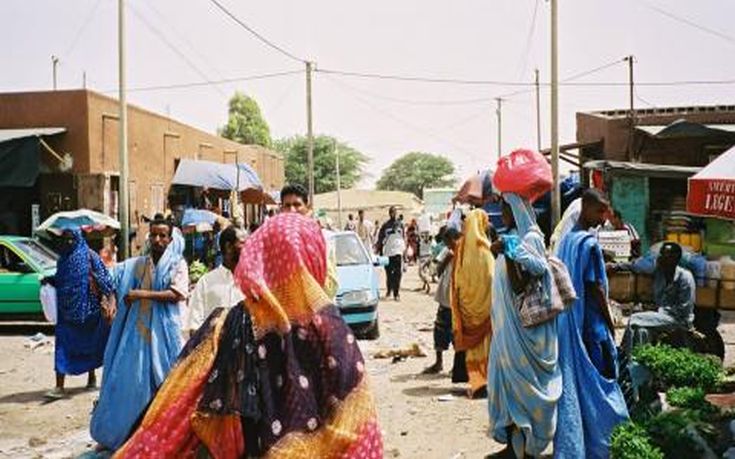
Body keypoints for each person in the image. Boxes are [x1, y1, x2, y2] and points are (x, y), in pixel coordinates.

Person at [115, 213, 383, 458]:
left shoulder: (231, 321)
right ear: (313, 255)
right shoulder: (331, 325)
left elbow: (183, 402)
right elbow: (358, 415)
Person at [90, 216, 189, 451]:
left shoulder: (178, 264)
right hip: (139, 334)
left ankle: (166, 438)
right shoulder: (138, 264)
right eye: (153, 234)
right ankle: (126, 434)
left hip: (166, 334)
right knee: (131, 383)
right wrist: (107, 297)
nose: (157, 239)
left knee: (166, 384)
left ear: (170, 238)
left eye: (162, 235)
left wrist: (141, 294)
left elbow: (177, 294)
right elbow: (112, 278)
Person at [554, 189, 628, 458]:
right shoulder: (588, 243)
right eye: (599, 211)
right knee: (601, 383)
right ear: (585, 208)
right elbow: (595, 288)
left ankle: (580, 443)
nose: (603, 218)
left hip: (572, 323)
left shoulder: (567, 241)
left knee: (580, 385)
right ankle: (604, 443)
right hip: (593, 326)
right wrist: (610, 323)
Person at [487, 195, 561, 458]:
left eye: (505, 208)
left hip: (524, 332)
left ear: (517, 209)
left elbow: (521, 284)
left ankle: (527, 449)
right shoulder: (513, 236)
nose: (502, 213)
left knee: (522, 390)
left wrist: (507, 250)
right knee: (506, 385)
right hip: (506, 330)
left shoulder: (529, 239)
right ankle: (511, 446)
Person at [44, 229, 115, 399]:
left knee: (89, 344)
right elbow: (61, 279)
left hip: (89, 311)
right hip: (66, 313)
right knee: (62, 346)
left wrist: (111, 300)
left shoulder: (90, 256)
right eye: (65, 239)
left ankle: (91, 378)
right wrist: (49, 281)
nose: (68, 242)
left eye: (71, 239)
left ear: (78, 238)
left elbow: (106, 280)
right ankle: (59, 386)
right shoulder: (63, 259)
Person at [621, 242, 695, 352]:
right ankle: (639, 360)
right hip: (662, 317)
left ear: (676, 259)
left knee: (634, 319)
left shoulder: (685, 278)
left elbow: (684, 309)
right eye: (661, 254)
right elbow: (636, 266)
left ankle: (622, 352)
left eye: (667, 256)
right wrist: (616, 266)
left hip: (678, 319)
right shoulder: (659, 271)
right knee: (641, 331)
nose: (662, 258)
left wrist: (659, 310)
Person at [451, 209, 494, 398]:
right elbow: (492, 277)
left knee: (472, 351)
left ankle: (476, 383)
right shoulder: (485, 249)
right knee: (485, 346)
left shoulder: (460, 249)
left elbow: (456, 280)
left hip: (467, 307)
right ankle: (485, 382)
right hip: (485, 308)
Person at [183, 226, 246, 338]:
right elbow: (194, 325)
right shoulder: (206, 282)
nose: (248, 248)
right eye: (243, 243)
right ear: (229, 247)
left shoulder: (253, 282)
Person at [280, 184, 338, 299]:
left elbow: (331, 287)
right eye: (287, 205)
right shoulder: (276, 241)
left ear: (308, 207)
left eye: (297, 204)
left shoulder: (324, 239)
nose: (292, 210)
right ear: (282, 210)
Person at [423, 227, 461, 374]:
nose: (448, 245)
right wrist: (447, 259)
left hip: (458, 301)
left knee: (457, 335)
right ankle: (438, 363)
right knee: (439, 331)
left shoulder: (465, 252)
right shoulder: (447, 252)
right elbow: (437, 272)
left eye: (449, 242)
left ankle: (456, 367)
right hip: (445, 298)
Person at [377, 206, 406, 301]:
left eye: (395, 212)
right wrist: (380, 251)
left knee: (398, 273)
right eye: (392, 212)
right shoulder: (385, 225)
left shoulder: (400, 225)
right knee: (389, 273)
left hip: (398, 252)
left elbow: (403, 238)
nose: (394, 214)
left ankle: (396, 293)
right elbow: (381, 238)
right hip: (388, 252)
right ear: (389, 213)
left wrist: (404, 252)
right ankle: (389, 290)